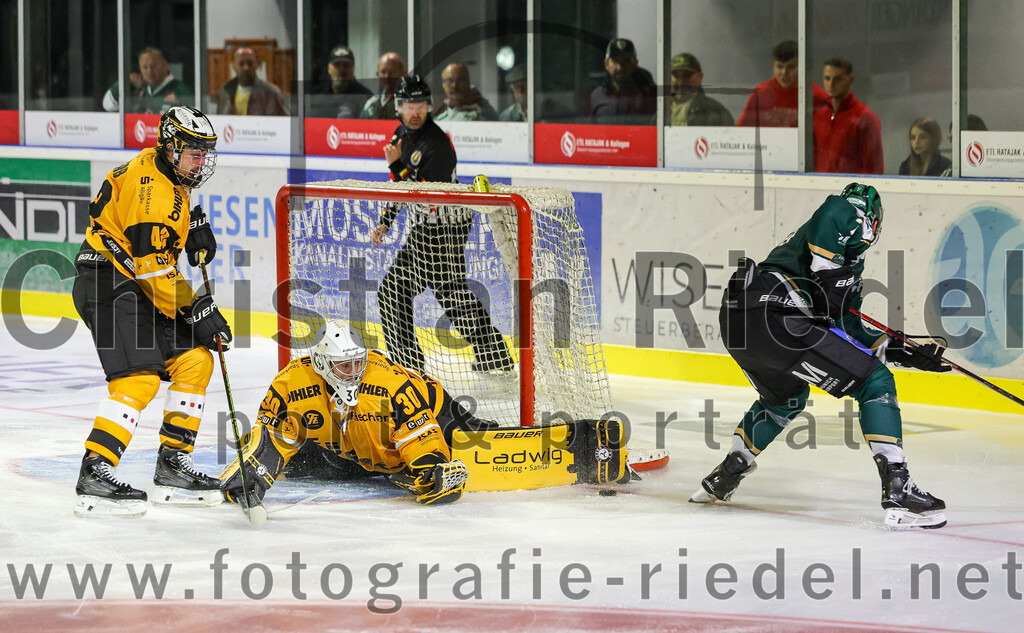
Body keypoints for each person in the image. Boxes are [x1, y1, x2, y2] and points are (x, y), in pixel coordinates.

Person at [692, 183, 950, 529]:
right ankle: (898, 487)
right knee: (875, 382)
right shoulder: (844, 212)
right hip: (776, 314)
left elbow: (850, 331)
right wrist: (833, 281)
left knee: (784, 401)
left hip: (741, 324)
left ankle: (726, 475)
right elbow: (835, 212)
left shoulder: (846, 270)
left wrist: (906, 352)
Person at [71, 106, 232, 518]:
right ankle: (96, 469)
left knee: (195, 361)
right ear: (173, 147)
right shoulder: (154, 195)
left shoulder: (162, 167)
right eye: (194, 152)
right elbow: (155, 271)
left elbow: (155, 242)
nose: (201, 162)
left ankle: (172, 465)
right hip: (108, 284)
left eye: (204, 153)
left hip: (136, 283)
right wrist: (197, 308)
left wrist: (190, 226)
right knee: (140, 378)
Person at [219, 320, 499, 506]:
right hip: (349, 448)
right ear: (321, 363)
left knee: (466, 437)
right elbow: (271, 438)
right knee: (306, 465)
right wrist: (252, 472)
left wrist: (432, 468)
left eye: (358, 364)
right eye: (345, 366)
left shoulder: (388, 385)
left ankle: (472, 427)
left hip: (435, 410)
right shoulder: (291, 384)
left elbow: (419, 432)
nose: (354, 373)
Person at [370, 74, 513, 374]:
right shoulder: (400, 136)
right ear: (397, 107)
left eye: (419, 103)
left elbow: (425, 195)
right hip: (427, 226)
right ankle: (493, 355)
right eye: (407, 104)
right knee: (443, 293)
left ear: (429, 105)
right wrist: (385, 221)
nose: (414, 111)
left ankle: (408, 364)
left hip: (447, 227)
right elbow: (401, 191)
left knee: (404, 290)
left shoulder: (438, 145)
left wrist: (396, 166)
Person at [813, 57, 884, 174]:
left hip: (850, 189)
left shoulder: (865, 118)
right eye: (827, 78)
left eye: (838, 79)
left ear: (850, 80)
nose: (831, 84)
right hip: (822, 188)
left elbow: (873, 168)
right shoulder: (819, 117)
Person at [736, 40, 830, 128]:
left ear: (803, 67)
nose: (784, 73)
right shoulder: (762, 93)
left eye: (791, 67)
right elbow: (741, 131)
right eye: (780, 67)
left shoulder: (816, 96)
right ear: (773, 67)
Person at [102, 47, 194, 114]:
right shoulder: (138, 89)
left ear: (165, 65)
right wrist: (125, 82)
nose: (149, 71)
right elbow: (108, 105)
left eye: (153, 66)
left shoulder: (181, 90)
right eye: (145, 67)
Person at [590, 38, 657, 125]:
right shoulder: (597, 96)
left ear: (635, 63)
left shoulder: (651, 96)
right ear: (606, 64)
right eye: (615, 61)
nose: (620, 67)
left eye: (626, 61)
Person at [215, 46, 288, 116]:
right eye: (241, 63)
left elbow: (283, 123)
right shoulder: (225, 91)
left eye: (250, 63)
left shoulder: (271, 93)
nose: (246, 68)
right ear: (234, 66)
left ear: (257, 64)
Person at [668, 53, 734, 126]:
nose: (681, 82)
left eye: (686, 76)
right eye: (676, 75)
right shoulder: (662, 109)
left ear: (699, 77)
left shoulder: (716, 112)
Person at [308, 45, 373, 119]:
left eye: (346, 65)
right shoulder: (317, 95)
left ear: (353, 68)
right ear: (329, 68)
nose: (342, 70)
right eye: (337, 65)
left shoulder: (366, 98)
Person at [432, 63, 499, 121]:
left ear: (468, 83)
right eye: (449, 80)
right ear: (443, 85)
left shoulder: (481, 106)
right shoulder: (438, 115)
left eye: (461, 80)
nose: (455, 86)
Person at [360, 52, 407, 120]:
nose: (387, 76)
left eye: (393, 71)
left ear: (404, 74)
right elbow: (361, 129)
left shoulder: (411, 104)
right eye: (383, 72)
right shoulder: (371, 106)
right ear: (377, 74)